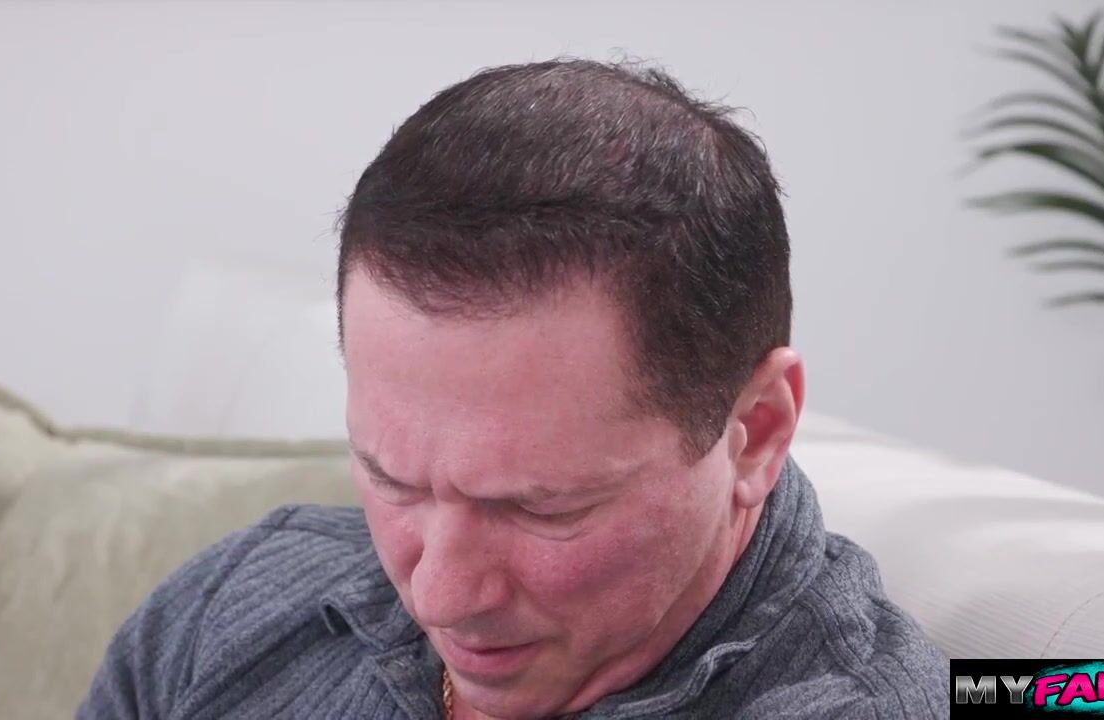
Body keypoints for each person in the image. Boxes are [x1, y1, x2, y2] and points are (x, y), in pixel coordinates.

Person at [79, 58, 949, 719]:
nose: (440, 596)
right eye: (393, 480)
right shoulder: (231, 608)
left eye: (539, 508)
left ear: (755, 430)